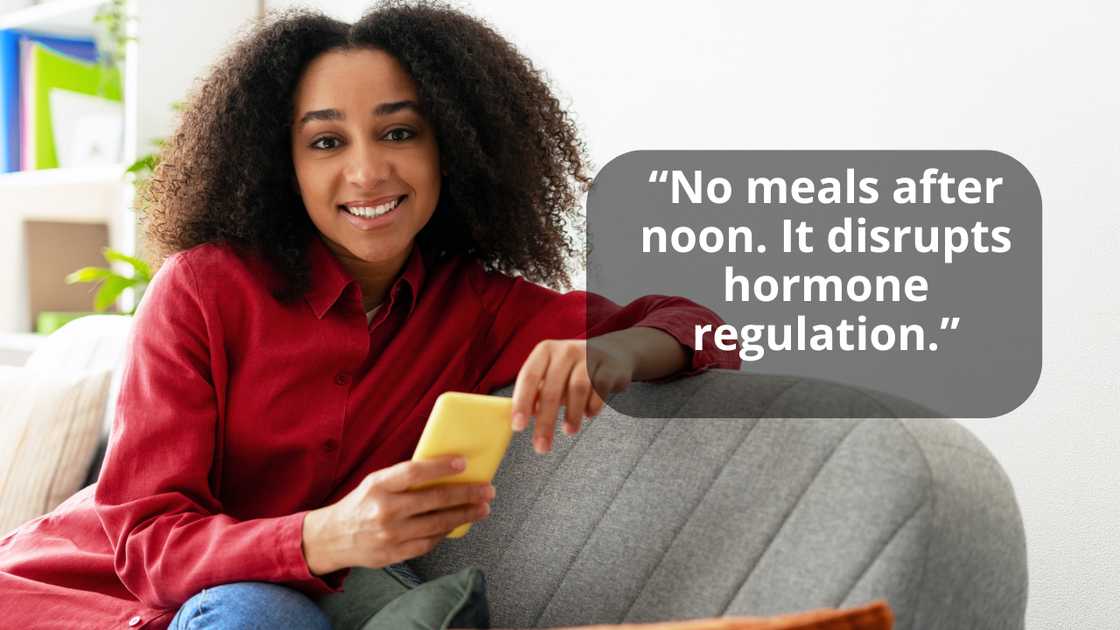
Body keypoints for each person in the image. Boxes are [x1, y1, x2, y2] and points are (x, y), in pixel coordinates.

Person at [0, 2, 740, 628]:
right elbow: (148, 543)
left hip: (261, 607)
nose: (367, 172)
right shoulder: (201, 289)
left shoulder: (477, 306)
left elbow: (708, 327)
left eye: (399, 132)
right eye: (326, 142)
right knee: (263, 611)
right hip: (77, 597)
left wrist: (620, 353)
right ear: (280, 165)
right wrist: (330, 534)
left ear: (451, 146)